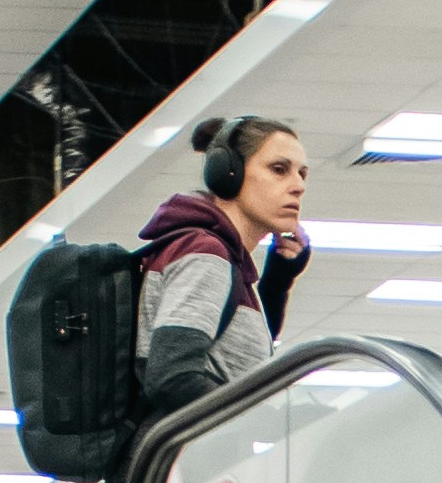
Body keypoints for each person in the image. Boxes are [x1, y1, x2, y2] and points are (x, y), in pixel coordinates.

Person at [133, 110, 310, 413]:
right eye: (279, 169)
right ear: (229, 173)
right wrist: (268, 420)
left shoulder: (223, 258)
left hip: (205, 455)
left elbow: (228, 358)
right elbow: (172, 378)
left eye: (302, 174)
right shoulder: (205, 254)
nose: (298, 186)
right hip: (190, 458)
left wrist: (278, 280)